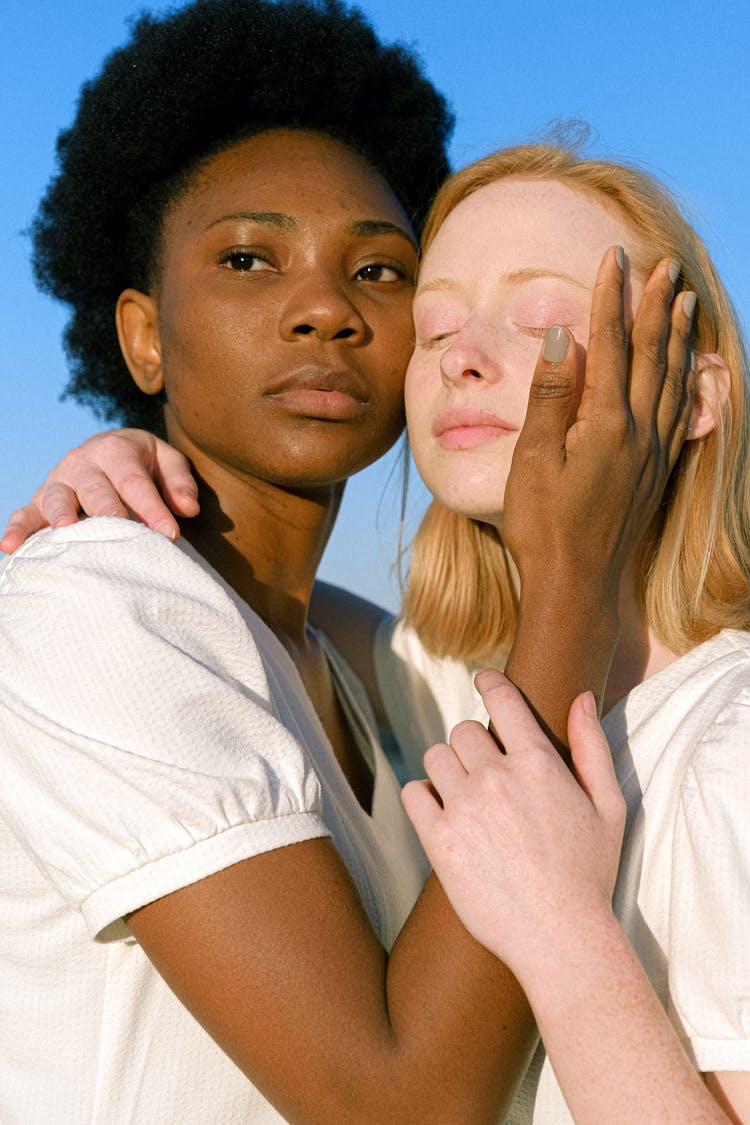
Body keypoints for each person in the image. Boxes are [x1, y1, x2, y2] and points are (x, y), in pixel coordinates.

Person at [0, 2, 693, 1121]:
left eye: (379, 272)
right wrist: (577, 571)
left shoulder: (369, 667)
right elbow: (393, 1104)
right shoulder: (94, 607)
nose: (325, 309)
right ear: (144, 336)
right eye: (246, 258)